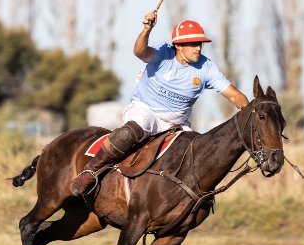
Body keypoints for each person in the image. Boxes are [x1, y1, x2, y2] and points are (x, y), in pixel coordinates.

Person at [70, 11, 249, 196]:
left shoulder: (206, 67)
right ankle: (89, 172)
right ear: (179, 45)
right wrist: (147, 29)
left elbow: (235, 96)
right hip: (146, 110)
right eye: (194, 43)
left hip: (177, 125)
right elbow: (139, 51)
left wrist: (250, 113)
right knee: (127, 134)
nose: (198, 48)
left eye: (200, 44)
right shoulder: (163, 54)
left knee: (198, 154)